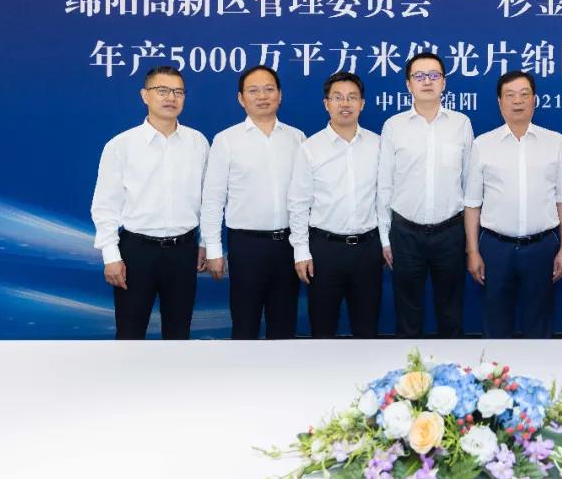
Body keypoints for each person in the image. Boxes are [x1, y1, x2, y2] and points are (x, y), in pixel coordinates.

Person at [90, 65, 209, 340]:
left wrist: (205, 242)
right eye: (162, 90)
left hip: (184, 251)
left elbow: (207, 200)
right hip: (136, 253)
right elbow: (104, 206)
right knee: (130, 334)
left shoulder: (198, 142)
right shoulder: (121, 145)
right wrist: (111, 256)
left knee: (179, 334)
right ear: (145, 95)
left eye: (178, 92)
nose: (171, 98)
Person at [463, 70, 562, 338]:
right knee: (495, 326)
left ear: (534, 99)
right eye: (510, 95)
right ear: (499, 102)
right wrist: (473, 251)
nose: (518, 101)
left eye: (524, 94)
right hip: (495, 248)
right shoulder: (483, 144)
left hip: (541, 247)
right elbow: (472, 204)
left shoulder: (555, 142)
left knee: (539, 326)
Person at [200, 65, 305, 339]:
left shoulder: (297, 138)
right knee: (245, 325)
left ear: (280, 95)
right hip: (246, 246)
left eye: (269, 89)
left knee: (284, 326)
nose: (262, 96)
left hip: (288, 245)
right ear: (241, 98)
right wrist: (213, 248)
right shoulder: (226, 140)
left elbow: (306, 197)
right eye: (253, 91)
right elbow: (212, 199)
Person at [378, 52, 473, 338]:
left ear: (444, 82)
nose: (427, 81)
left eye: (434, 75)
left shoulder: (461, 124)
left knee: (451, 313)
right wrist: (385, 238)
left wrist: (470, 240)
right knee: (407, 315)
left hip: (450, 232)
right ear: (409, 84)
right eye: (419, 76)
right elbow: (385, 185)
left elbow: (470, 184)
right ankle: (409, 367)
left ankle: (453, 366)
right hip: (405, 232)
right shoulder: (393, 126)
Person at [287, 72, 383, 338]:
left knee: (367, 331)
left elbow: (384, 199)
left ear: (362, 103)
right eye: (338, 97)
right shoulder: (310, 148)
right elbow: (298, 203)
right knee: (322, 329)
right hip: (324, 251)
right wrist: (301, 252)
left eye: (352, 97)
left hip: (367, 249)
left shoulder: (378, 145)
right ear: (326, 103)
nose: (345, 104)